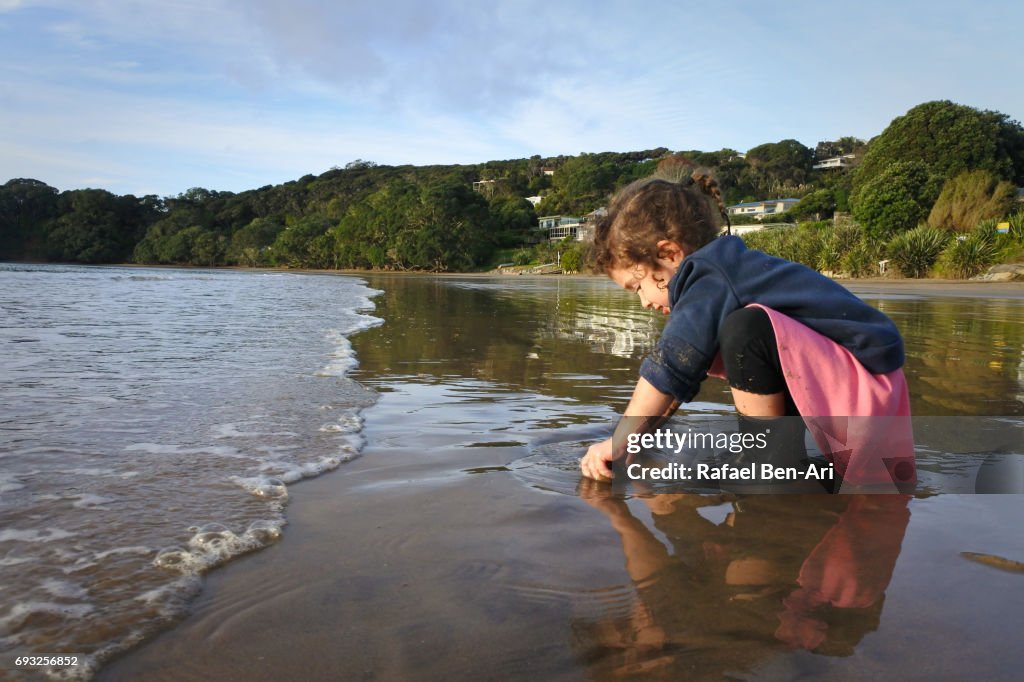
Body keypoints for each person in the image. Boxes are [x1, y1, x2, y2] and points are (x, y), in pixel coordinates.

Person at [579, 174, 914, 488]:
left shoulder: (709, 275)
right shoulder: (723, 277)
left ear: (669, 253)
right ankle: (773, 461)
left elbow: (669, 366)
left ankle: (768, 466)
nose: (643, 302)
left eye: (637, 286)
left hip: (866, 402)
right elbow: (677, 383)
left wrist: (619, 439)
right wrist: (636, 444)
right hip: (867, 403)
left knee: (745, 329)